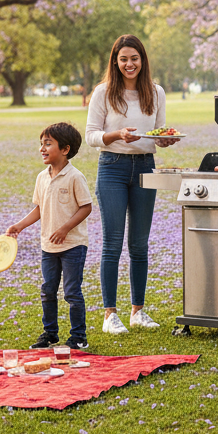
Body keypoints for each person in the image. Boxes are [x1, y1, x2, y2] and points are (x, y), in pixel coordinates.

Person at [84, 33, 179, 335]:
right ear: (116, 61)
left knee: (139, 244)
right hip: (112, 167)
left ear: (142, 61)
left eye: (134, 58)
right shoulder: (103, 92)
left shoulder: (156, 92)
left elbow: (158, 134)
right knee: (112, 244)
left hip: (145, 168)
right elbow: (91, 136)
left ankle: (138, 310)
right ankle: (110, 313)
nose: (129, 64)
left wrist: (165, 140)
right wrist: (116, 135)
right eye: (123, 59)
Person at [7, 122, 93, 350]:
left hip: (73, 245)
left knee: (72, 292)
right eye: (41, 144)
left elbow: (86, 207)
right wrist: (19, 225)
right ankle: (50, 334)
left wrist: (65, 228)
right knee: (48, 291)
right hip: (48, 246)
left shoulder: (75, 177)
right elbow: (39, 208)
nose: (42, 149)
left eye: (48, 144)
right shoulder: (42, 178)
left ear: (65, 149)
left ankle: (78, 336)